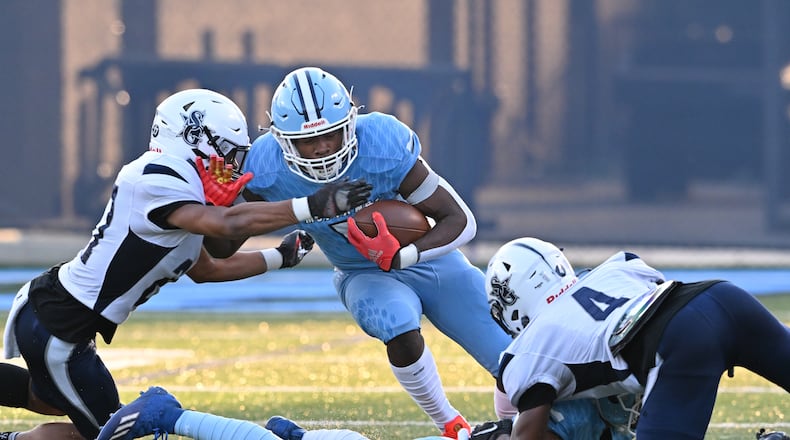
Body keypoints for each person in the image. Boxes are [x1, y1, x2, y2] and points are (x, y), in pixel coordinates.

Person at [222, 66, 624, 439]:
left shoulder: (381, 143)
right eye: (309, 141)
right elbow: (220, 249)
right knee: (396, 319)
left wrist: (404, 255)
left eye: (333, 134)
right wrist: (220, 209)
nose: (324, 148)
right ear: (281, 140)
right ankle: (448, 421)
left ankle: (602, 419)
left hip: (429, 261)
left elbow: (460, 220)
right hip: (360, 273)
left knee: (518, 362)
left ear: (352, 124)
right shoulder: (267, 168)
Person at [0, 88, 373, 440]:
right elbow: (224, 225)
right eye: (225, 152)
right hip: (59, 323)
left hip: (64, 322)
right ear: (193, 137)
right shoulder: (155, 174)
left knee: (47, 400)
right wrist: (310, 205)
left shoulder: (186, 199)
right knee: (111, 431)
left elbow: (210, 265)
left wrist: (279, 257)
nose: (229, 165)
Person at [483, 237, 790, 440]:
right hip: (725, 298)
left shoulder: (525, 353)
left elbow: (529, 436)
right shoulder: (614, 267)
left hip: (679, 341)